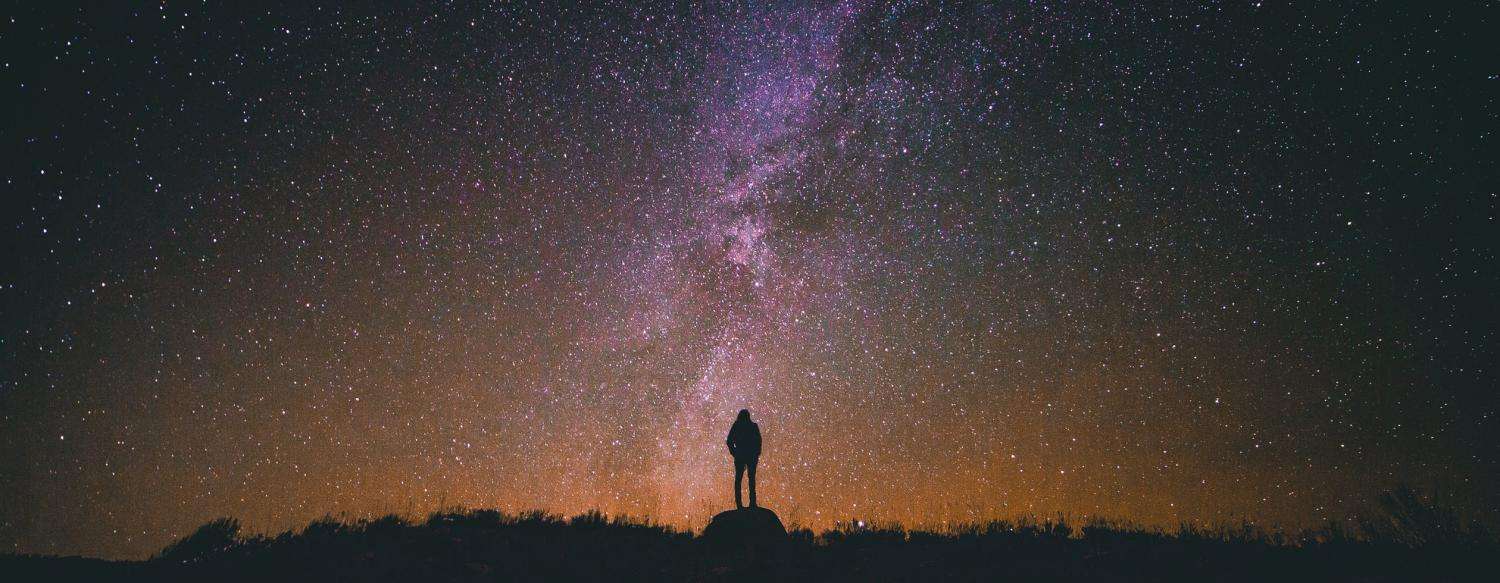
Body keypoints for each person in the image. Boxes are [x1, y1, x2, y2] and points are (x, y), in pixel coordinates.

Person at [725, 409, 762, 508]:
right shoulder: (753, 426)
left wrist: (734, 453)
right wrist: (756, 454)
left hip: (742, 455)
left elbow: (729, 441)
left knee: (739, 480)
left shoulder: (737, 426)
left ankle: (740, 505)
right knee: (750, 479)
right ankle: (752, 503)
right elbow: (759, 441)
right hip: (749, 456)